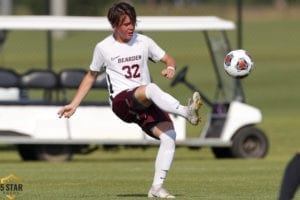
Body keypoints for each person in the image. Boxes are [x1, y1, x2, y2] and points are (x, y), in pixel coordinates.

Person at [58, 1, 202, 198]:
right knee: (149, 88)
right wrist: (74, 104)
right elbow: (91, 75)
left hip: (145, 102)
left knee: (169, 137)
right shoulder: (103, 48)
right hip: (121, 102)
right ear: (114, 26)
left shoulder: (144, 41)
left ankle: (156, 188)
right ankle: (186, 111)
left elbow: (169, 59)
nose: (131, 27)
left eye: (133, 22)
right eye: (126, 24)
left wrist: (170, 68)